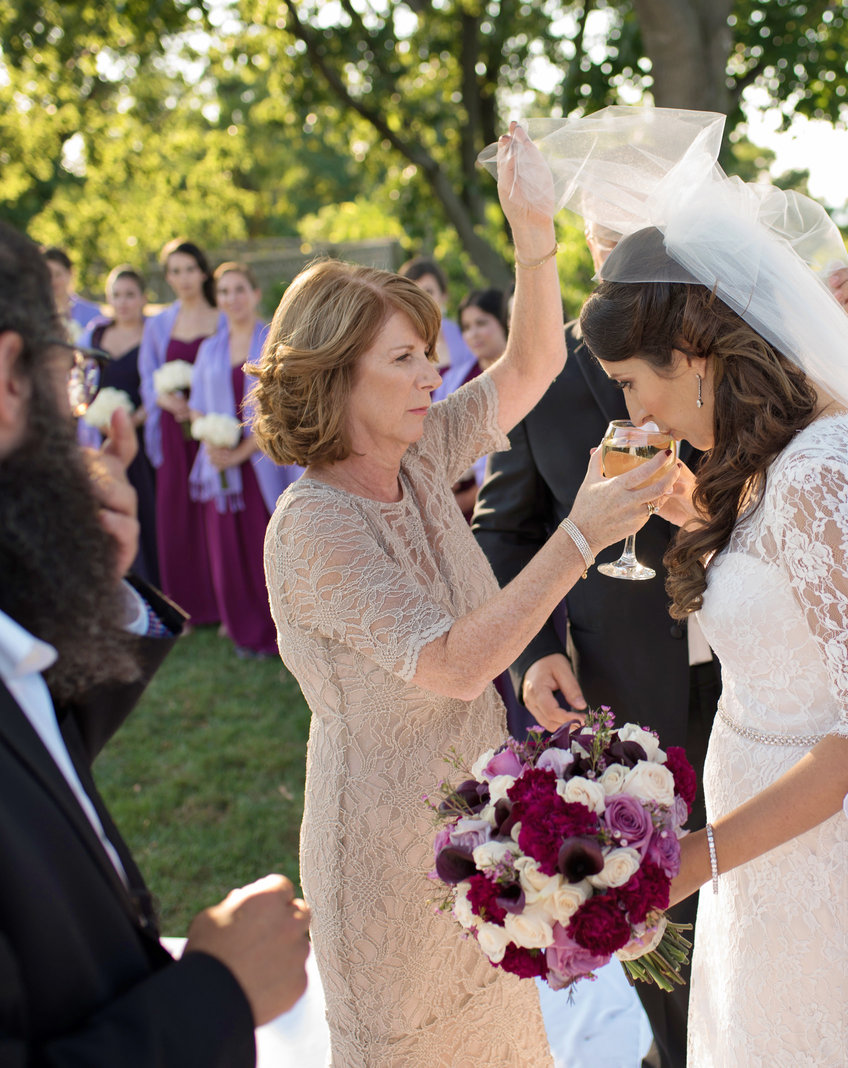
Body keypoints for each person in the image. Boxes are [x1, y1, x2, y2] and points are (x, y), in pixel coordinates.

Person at [0, 185, 311, 1065]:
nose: (76, 410)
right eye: (67, 378)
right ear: (9, 379)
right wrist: (217, 996)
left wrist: (97, 584)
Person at [488, 106, 848, 1065]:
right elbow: (790, 589)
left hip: (818, 858)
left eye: (637, 383)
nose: (633, 409)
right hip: (772, 851)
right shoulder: (793, 458)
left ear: (693, 355)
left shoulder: (824, 468)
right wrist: (692, 515)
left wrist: (692, 860)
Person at [251, 124, 676, 1065]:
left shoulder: (418, 454)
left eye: (429, 354)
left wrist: (534, 232)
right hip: (385, 862)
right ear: (332, 375)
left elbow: (527, 368)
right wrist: (581, 536)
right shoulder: (315, 524)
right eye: (403, 359)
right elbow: (452, 664)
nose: (431, 374)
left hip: (479, 835)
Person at [188, 262, 299, 658]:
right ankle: (242, 630)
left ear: (254, 294)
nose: (231, 298)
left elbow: (278, 406)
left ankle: (281, 634)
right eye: (224, 292)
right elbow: (197, 408)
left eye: (239, 290)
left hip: (263, 463)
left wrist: (241, 451)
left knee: (267, 546)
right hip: (222, 469)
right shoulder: (209, 349)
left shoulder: (273, 342)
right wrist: (216, 446)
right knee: (229, 550)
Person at [140, 238, 222, 626]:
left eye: (190, 269)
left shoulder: (221, 316)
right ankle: (185, 607)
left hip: (211, 430)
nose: (183, 278)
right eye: (175, 271)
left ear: (203, 272)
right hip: (175, 432)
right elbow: (148, 376)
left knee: (214, 512)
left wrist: (205, 408)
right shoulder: (159, 324)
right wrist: (164, 400)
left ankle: (222, 604)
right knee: (176, 512)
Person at [77, 264, 160, 587]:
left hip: (143, 437)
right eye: (116, 295)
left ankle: (154, 584)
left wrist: (137, 417)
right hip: (101, 438)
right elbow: (82, 383)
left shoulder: (153, 334)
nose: (122, 302)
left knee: (146, 510)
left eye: (129, 295)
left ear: (142, 298)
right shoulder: (95, 336)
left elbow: (159, 383)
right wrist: (95, 418)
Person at [452, 287, 509, 518]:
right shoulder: (454, 380)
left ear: (503, 320)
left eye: (481, 323)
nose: (473, 333)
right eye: (466, 327)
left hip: (499, 499)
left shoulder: (517, 379)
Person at [400, 256, 474, 395]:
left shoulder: (466, 338)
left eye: (429, 291)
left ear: (444, 295)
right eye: (415, 293)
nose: (422, 300)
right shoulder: (397, 345)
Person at [42, 245, 103, 339]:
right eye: (48, 275)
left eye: (58, 274)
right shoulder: (34, 313)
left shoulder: (93, 314)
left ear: (70, 273)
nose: (53, 281)